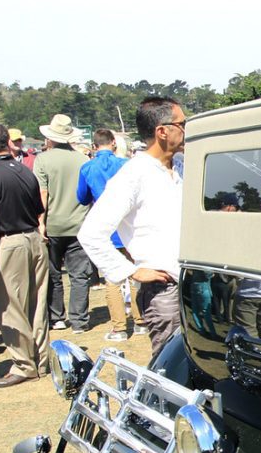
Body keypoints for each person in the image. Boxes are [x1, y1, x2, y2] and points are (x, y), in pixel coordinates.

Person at [78, 97, 185, 358]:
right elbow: (90, 233)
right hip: (165, 288)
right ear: (162, 131)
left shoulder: (181, 165)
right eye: (182, 124)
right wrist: (132, 271)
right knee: (170, 362)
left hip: (192, 283)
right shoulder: (133, 174)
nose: (186, 130)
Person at [0, 123, 49, 386]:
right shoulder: (24, 171)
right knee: (37, 304)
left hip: (8, 242)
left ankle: (23, 364)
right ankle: (40, 359)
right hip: (34, 238)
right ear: (8, 142)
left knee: (10, 306)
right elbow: (40, 209)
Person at [33, 113, 93, 334]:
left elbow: (43, 193)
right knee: (80, 275)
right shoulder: (83, 159)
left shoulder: (43, 160)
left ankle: (57, 317)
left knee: (53, 274)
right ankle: (79, 320)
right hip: (79, 224)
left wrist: (40, 223)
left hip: (52, 225)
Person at [76, 127, 133, 341]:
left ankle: (119, 327)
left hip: (106, 228)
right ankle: (141, 322)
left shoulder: (87, 167)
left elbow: (81, 197)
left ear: (94, 146)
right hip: (127, 227)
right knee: (135, 274)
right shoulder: (125, 165)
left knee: (112, 278)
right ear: (114, 144)